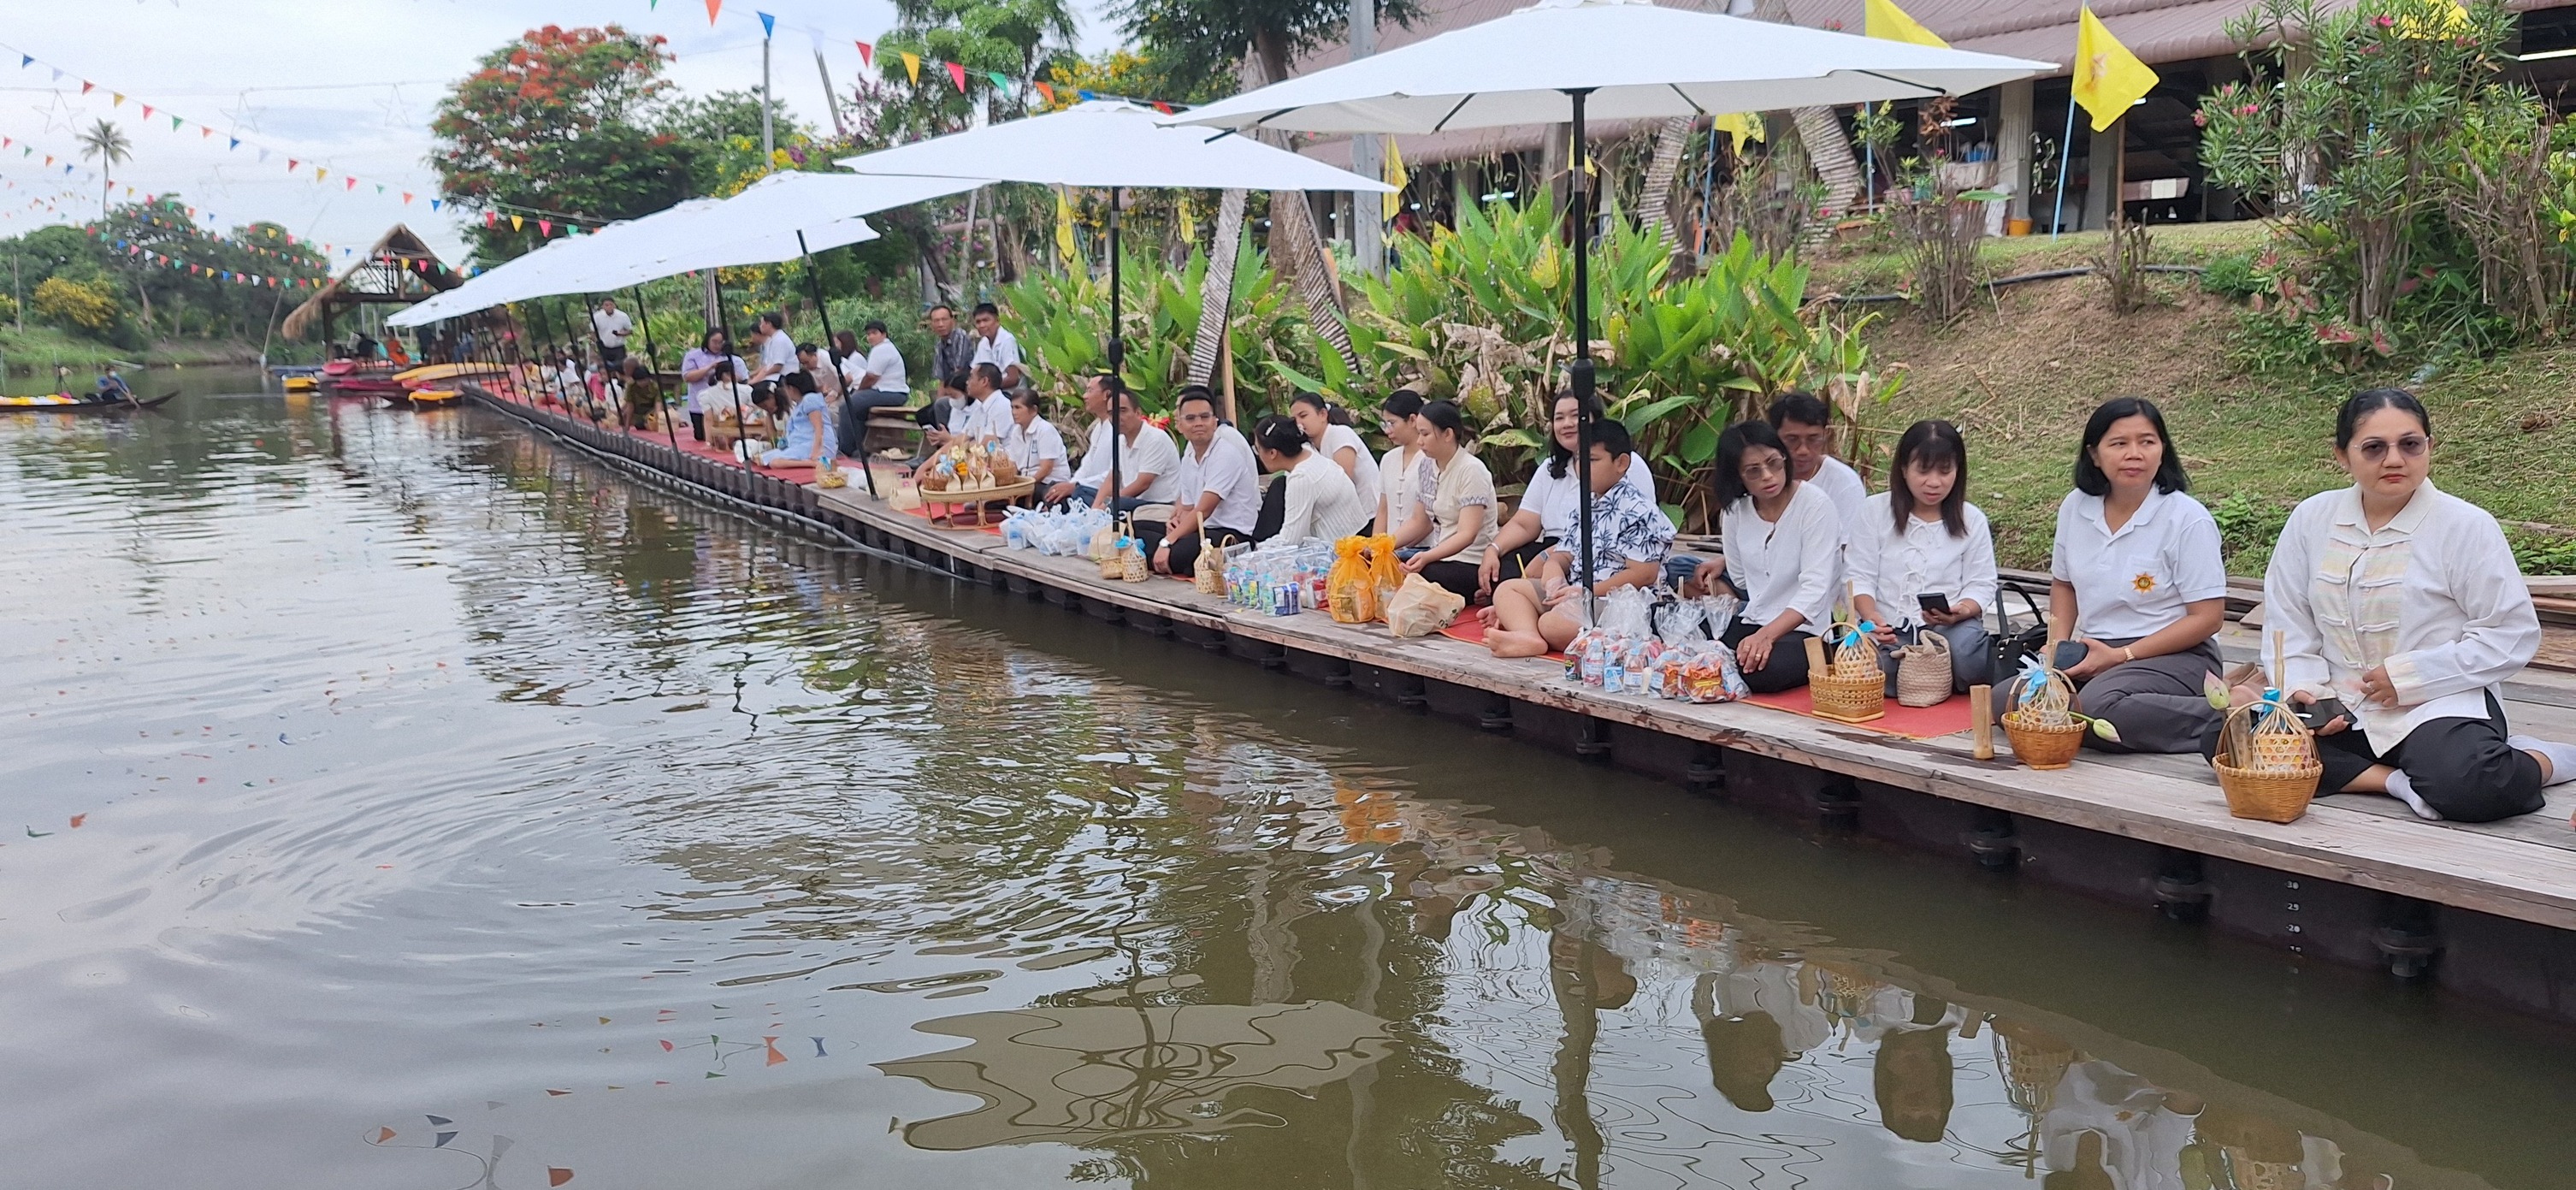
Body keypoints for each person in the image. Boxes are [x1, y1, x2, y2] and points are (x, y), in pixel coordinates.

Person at [2201, 389, 2576, 822]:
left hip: (2436, 704)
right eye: (2374, 448)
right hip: (2339, 703)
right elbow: (2289, 623)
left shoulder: (2466, 527)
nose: (2394, 460)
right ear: (2342, 456)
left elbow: (2511, 634)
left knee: (2469, 783)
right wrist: (2305, 691)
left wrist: (2411, 676)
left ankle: (2546, 759)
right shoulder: (2311, 519)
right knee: (2226, 737)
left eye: (2410, 445)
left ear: (2429, 447)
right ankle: (2394, 782)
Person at [2047, 397, 2227, 754]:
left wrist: (2122, 655)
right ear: (2094, 455)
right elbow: (2063, 584)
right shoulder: (2076, 506)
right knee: (2011, 699)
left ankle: (2234, 713)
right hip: (2095, 649)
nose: (2134, 454)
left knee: (2096, 711)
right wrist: (2057, 648)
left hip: (2177, 653)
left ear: (2162, 451)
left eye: (2147, 442)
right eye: (2119, 444)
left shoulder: (2187, 518)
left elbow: (2208, 618)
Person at [1483, 421, 1675, 658]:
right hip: (1575, 593)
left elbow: (1644, 574)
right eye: (1578, 459)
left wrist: (1586, 592)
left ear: (1621, 463)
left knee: (1552, 624)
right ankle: (1528, 636)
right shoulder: (1584, 505)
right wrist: (1553, 577)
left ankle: (1539, 630)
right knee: (1508, 589)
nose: (1581, 467)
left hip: (1618, 601)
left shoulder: (1640, 510)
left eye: (1592, 460)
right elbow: (1563, 554)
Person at [1691, 421, 1842, 694]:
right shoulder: (1735, 511)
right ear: (1737, 476)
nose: (1768, 476)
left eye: (1774, 463)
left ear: (1784, 457)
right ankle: (1721, 662)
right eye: (1754, 471)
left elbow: (1815, 591)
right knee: (1674, 623)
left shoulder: (1815, 505)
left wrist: (1766, 635)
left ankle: (1720, 664)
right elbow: (1739, 577)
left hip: (1809, 630)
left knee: (1762, 669)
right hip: (1755, 619)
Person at [1849, 419, 1998, 695]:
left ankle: (1929, 674)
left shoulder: (1972, 519)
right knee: (1869, 667)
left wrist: (1961, 610)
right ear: (1904, 468)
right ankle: (1929, 676)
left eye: (1945, 471)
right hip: (1889, 627)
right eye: (1923, 470)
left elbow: (1982, 583)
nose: (1934, 482)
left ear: (1958, 471)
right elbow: (1859, 576)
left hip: (1950, 630)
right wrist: (1872, 617)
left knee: (1967, 656)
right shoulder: (1874, 511)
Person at [1480, 390, 1657, 593]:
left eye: (1575, 415)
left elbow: (1622, 529)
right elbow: (1524, 523)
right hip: (1557, 547)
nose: (1567, 424)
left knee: (1521, 582)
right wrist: (1493, 549)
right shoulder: (1550, 467)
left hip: (1599, 551)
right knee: (1504, 567)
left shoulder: (1627, 464)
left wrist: (1549, 557)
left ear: (1595, 421)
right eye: (1559, 418)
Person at [1148, 388, 1261, 578]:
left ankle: (1168, 558)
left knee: (1175, 552)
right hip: (1203, 529)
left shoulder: (1226, 454)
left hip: (1232, 534)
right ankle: (1172, 559)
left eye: (1204, 417)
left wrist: (1167, 541)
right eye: (1190, 419)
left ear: (1215, 422)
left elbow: (1204, 510)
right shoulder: (1189, 456)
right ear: (1180, 425)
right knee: (1139, 529)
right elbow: (1188, 507)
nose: (1198, 423)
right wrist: (1176, 524)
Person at [1397, 400, 1497, 601]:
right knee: (1387, 563)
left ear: (1448, 434)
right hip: (1437, 555)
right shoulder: (1426, 466)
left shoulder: (1471, 470)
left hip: (1470, 561)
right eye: (1419, 434)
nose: (1419, 441)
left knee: (1420, 575)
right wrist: (1381, 545)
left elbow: (1467, 534)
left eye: (1425, 434)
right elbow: (1419, 521)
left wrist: (1427, 557)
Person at [1251, 415, 1369, 543]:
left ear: (1272, 453)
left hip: (1346, 549)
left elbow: (1291, 540)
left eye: (1258, 449)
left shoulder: (1302, 477)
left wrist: (1257, 551)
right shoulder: (1310, 454)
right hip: (1360, 538)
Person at [1769, 392, 1868, 526]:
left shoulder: (1845, 483)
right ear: (1774, 437)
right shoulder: (1757, 478)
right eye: (1792, 440)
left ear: (1826, 434)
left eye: (1813, 439)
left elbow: (1849, 538)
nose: (1803, 450)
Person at [1291, 392, 1380, 529]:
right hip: (1345, 522)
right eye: (1294, 419)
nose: (1299, 423)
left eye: (1303, 416)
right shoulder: (1310, 448)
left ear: (1323, 414)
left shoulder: (1340, 434)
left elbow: (1342, 482)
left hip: (1370, 518)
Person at [835, 322, 913, 460]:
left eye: (874, 333)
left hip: (890, 393)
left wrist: (859, 391)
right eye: (868, 334)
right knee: (858, 411)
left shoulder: (882, 349)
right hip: (888, 392)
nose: (870, 337)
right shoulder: (884, 348)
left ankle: (845, 449)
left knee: (846, 406)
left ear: (884, 334)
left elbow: (871, 377)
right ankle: (860, 449)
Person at [1374, 389, 1437, 547]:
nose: (1387, 430)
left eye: (1392, 423)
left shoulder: (1431, 459)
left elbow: (1427, 521)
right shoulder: (1388, 459)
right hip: (1389, 549)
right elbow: (1383, 510)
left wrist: (1395, 547)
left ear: (1412, 420)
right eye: (1385, 424)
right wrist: (1375, 547)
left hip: (1424, 549)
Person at [1044, 374, 1116, 506]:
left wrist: (1076, 486)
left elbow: (1113, 476)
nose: (1084, 396)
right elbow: (1086, 466)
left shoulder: (1119, 429)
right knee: (1053, 493)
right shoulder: (1098, 428)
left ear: (1106, 395)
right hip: (1087, 489)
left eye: (1090, 391)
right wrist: (1071, 485)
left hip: (1106, 494)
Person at [679, 329, 747, 442]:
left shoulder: (733, 359)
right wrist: (710, 367)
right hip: (699, 405)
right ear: (707, 340)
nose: (717, 345)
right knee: (701, 436)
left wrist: (726, 373)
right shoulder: (693, 355)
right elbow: (687, 377)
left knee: (728, 436)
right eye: (714, 342)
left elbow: (743, 379)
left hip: (727, 405)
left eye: (720, 342)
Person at [759, 372, 834, 469]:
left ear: (791, 389)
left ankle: (812, 463)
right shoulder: (800, 403)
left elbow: (819, 427)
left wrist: (815, 451)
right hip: (802, 443)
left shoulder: (810, 399)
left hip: (815, 444)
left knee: (775, 463)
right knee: (763, 458)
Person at [998, 387, 1068, 489]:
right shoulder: (1016, 432)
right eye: (1012, 407)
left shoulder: (1045, 429)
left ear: (1034, 410)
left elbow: (1046, 469)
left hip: (1050, 484)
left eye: (1018, 407)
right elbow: (1013, 466)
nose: (1013, 412)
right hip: (1028, 483)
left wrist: (1025, 487)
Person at [967, 302, 1025, 392]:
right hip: (990, 391)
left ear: (997, 321)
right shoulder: (983, 343)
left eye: (986, 320)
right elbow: (975, 370)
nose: (982, 325)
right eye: (978, 322)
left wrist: (986, 388)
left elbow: (1013, 379)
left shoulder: (1007, 340)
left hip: (1011, 393)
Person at [925, 303, 977, 396]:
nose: (940, 324)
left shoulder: (961, 337)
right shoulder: (939, 345)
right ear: (931, 324)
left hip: (968, 390)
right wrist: (938, 402)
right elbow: (942, 380)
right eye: (936, 321)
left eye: (944, 319)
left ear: (952, 321)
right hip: (952, 391)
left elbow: (959, 372)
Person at [749, 311, 798, 385]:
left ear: (769, 324)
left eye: (762, 323)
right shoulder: (773, 339)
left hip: (786, 378)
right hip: (776, 377)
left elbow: (777, 366)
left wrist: (761, 377)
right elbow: (767, 366)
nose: (760, 326)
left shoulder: (780, 340)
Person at [618, 356, 665, 430]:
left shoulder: (655, 387)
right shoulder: (631, 386)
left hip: (650, 411)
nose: (642, 383)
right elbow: (630, 406)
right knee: (622, 418)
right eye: (639, 381)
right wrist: (627, 425)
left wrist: (657, 418)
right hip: (637, 413)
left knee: (659, 415)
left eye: (644, 380)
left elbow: (658, 405)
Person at [591, 297, 634, 369]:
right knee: (606, 368)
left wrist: (621, 334)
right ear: (603, 307)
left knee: (620, 368)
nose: (609, 307)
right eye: (606, 305)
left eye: (611, 304)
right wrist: (597, 342)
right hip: (604, 348)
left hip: (619, 348)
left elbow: (630, 331)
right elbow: (593, 332)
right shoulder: (597, 317)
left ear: (614, 305)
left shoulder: (622, 316)